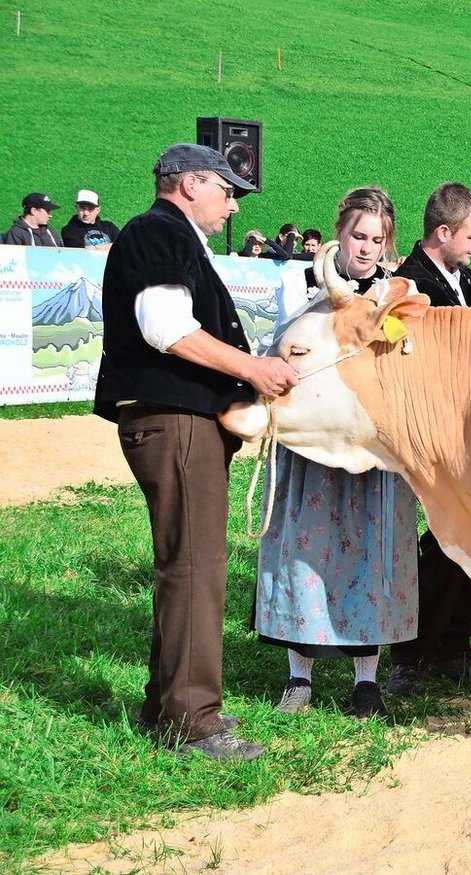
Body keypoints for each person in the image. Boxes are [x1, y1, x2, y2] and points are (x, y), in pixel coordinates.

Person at [93, 143, 297, 760]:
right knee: (194, 568)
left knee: (187, 563)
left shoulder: (166, 234)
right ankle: (193, 722)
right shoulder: (159, 231)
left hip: (177, 418)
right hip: (175, 419)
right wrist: (253, 370)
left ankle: (168, 707)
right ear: (190, 184)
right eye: (227, 191)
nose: (233, 204)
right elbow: (165, 327)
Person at [256, 186, 417, 720]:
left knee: (372, 553)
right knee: (305, 552)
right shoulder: (300, 285)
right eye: (358, 236)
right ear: (339, 234)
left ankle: (366, 681)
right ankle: (298, 677)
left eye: (377, 239)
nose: (367, 248)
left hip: (371, 448)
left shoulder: (396, 296)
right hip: (311, 445)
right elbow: (277, 353)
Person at [383, 181, 471, 696]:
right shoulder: (406, 287)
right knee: (433, 547)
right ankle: (410, 658)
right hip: (425, 438)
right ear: (444, 232)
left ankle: (454, 648)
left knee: (469, 541)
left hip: (470, 436)